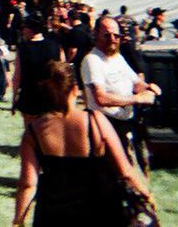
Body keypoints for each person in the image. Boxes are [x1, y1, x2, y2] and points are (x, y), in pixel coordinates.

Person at [13, 61, 153, 227]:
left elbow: (28, 184)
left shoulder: (33, 132)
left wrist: (18, 221)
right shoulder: (95, 121)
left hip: (53, 214)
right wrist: (147, 195)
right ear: (74, 90)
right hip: (99, 210)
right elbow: (125, 170)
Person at [80, 16, 160, 174]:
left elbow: (135, 83)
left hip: (125, 124)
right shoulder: (92, 60)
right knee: (111, 172)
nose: (112, 39)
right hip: (105, 125)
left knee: (126, 169)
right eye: (107, 35)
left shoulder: (118, 58)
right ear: (96, 34)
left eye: (116, 36)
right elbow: (100, 97)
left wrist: (148, 87)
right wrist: (137, 99)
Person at [12, 13, 64, 124]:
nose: (22, 31)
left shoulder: (22, 47)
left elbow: (17, 76)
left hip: (29, 96)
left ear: (30, 29)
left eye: (24, 28)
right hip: (50, 96)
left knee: (31, 133)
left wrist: (14, 99)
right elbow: (62, 74)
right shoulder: (56, 46)